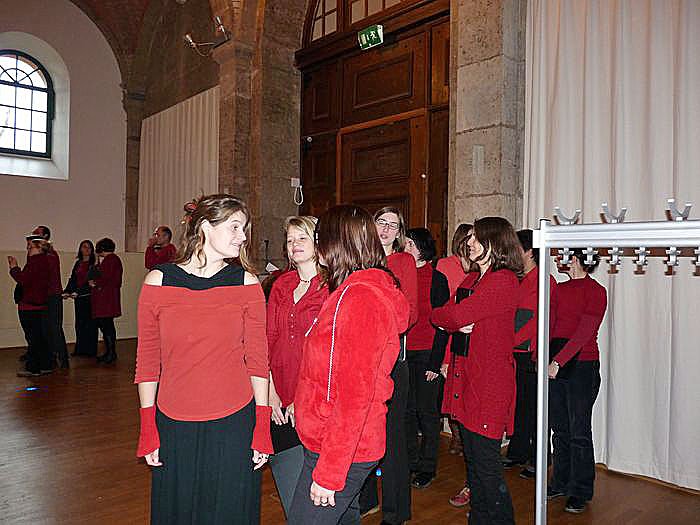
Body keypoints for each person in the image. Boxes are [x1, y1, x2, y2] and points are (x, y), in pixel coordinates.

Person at [134, 195, 272, 525]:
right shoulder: (159, 280)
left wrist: (262, 426)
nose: (242, 237)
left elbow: (258, 359)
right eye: (235, 227)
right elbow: (148, 360)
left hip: (234, 420)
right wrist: (148, 426)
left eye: (245, 229)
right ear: (206, 227)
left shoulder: (246, 282)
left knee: (228, 512)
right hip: (174, 419)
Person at [288, 205, 409, 525]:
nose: (317, 245)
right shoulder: (350, 290)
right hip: (336, 441)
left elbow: (355, 395)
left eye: (320, 238)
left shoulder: (360, 298)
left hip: (341, 447)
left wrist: (329, 473)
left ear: (338, 243)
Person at [432, 216, 523, 525]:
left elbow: (452, 316)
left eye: (475, 238)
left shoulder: (503, 280)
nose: (468, 243)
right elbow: (442, 315)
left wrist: (453, 320)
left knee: (486, 467)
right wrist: (453, 321)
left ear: (494, 242)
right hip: (468, 378)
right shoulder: (472, 280)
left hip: (489, 384)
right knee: (473, 464)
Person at [359, 206, 417, 525]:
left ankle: (396, 512)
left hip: (392, 360)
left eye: (392, 225)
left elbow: (411, 312)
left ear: (399, 232)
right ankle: (366, 499)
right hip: (362, 360)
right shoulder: (362, 259)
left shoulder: (403, 261)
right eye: (381, 222)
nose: (385, 229)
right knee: (363, 433)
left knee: (393, 438)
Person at [267, 216, 328, 517]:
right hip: (278, 396)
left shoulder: (332, 286)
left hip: (315, 400)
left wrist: (302, 398)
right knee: (290, 490)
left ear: (318, 242)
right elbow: (267, 339)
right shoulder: (282, 284)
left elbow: (329, 354)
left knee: (319, 496)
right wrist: (269, 392)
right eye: (290, 240)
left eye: (302, 237)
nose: (294, 245)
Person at [547, 248, 607, 514]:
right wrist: (544, 359)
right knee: (560, 428)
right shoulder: (559, 289)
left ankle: (580, 490)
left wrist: (558, 361)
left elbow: (584, 333)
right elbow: (550, 327)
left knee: (579, 430)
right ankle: (560, 482)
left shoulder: (596, 291)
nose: (560, 258)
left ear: (576, 259)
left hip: (582, 365)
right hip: (557, 363)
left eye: (565, 255)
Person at [503, 229, 557, 479]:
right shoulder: (518, 279)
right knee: (519, 405)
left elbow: (538, 321)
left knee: (535, 408)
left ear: (529, 252)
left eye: (516, 247)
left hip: (532, 353)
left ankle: (540, 457)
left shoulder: (544, 280)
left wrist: (510, 340)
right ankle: (518, 451)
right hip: (515, 351)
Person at [403, 228, 450, 489]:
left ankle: (427, 467)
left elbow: (443, 324)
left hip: (427, 353)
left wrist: (435, 362)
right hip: (404, 353)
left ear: (422, 248)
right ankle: (410, 461)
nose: (405, 247)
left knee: (427, 413)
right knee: (407, 411)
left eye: (410, 244)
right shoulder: (401, 275)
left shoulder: (437, 278)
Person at [437, 224, 472, 460]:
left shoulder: (478, 269)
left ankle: (465, 437)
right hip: (451, 331)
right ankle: (457, 435)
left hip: (470, 332)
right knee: (451, 388)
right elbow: (444, 304)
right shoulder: (445, 265)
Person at [10, 235, 52, 377]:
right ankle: (45, 365)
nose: (28, 249)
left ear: (39, 248)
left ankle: (33, 368)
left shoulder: (36, 262)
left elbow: (23, 279)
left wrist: (14, 268)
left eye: (30, 247)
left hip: (30, 305)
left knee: (33, 338)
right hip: (37, 304)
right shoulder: (43, 261)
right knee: (38, 336)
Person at [31, 226, 68, 368]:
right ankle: (51, 357)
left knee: (54, 328)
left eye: (37, 233)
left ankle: (62, 359)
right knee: (46, 328)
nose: (33, 235)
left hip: (52, 295)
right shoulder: (42, 254)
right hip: (45, 295)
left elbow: (45, 276)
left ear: (45, 236)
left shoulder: (50, 254)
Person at [90, 238, 123, 364]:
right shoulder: (112, 260)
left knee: (107, 325)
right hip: (107, 297)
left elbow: (106, 277)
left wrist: (95, 283)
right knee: (106, 325)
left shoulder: (111, 260)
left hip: (106, 298)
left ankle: (111, 353)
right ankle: (109, 352)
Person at [63, 240, 98, 357]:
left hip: (89, 297)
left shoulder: (94, 264)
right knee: (79, 323)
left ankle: (90, 350)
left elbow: (90, 281)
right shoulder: (78, 263)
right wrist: (67, 291)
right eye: (84, 247)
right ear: (80, 249)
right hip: (79, 298)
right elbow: (73, 278)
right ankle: (80, 348)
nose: (86, 249)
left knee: (90, 324)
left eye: (89, 247)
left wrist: (78, 292)